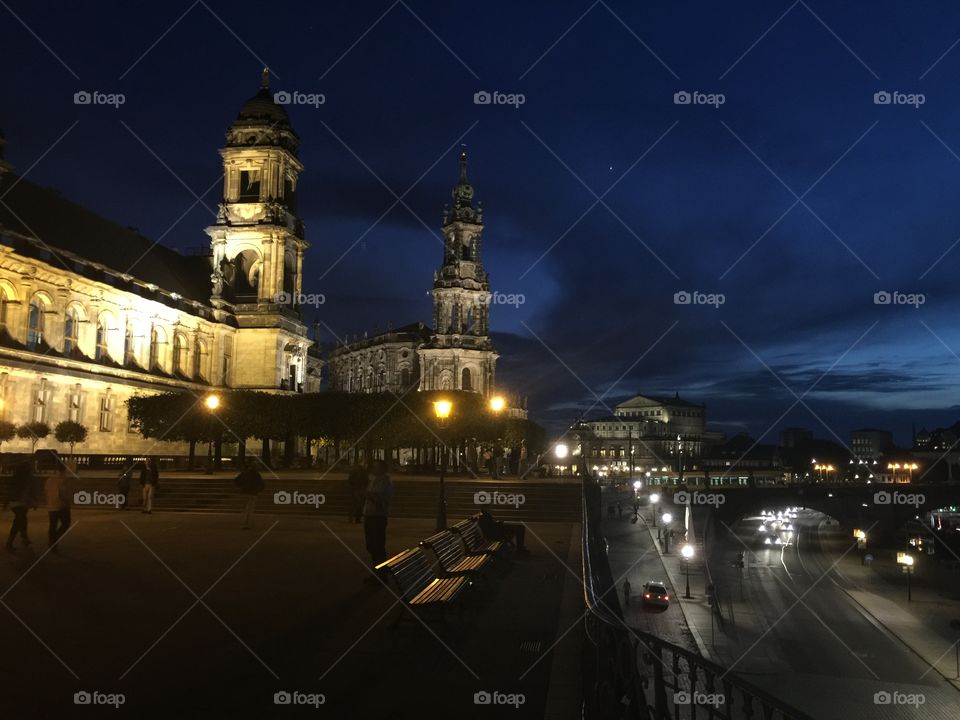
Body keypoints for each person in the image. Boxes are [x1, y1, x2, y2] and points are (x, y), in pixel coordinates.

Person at [362, 460, 393, 583]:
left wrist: (368, 494)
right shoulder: (374, 480)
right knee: (372, 546)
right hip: (370, 515)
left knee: (377, 546)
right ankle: (378, 572)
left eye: (376, 467)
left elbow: (379, 498)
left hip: (377, 517)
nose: (373, 469)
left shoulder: (385, 482)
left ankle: (381, 574)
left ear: (382, 469)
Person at [5, 462, 36, 551]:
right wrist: (32, 502)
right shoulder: (26, 479)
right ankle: (11, 542)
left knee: (21, 520)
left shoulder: (14, 478)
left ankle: (23, 538)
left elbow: (10, 491)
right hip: (21, 503)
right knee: (19, 521)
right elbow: (28, 491)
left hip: (15, 503)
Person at [45, 457, 74, 553]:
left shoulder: (50, 479)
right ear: (64, 470)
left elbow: (46, 490)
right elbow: (63, 493)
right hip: (61, 505)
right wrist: (68, 501)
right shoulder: (64, 480)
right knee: (65, 524)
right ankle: (54, 541)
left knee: (52, 525)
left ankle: (52, 543)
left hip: (51, 505)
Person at [234, 460, 264, 529]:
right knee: (250, 509)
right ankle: (248, 523)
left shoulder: (244, 473)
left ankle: (244, 523)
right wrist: (258, 490)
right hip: (253, 493)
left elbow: (236, 480)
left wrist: (241, 486)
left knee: (245, 508)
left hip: (244, 492)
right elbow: (262, 484)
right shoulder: (256, 474)